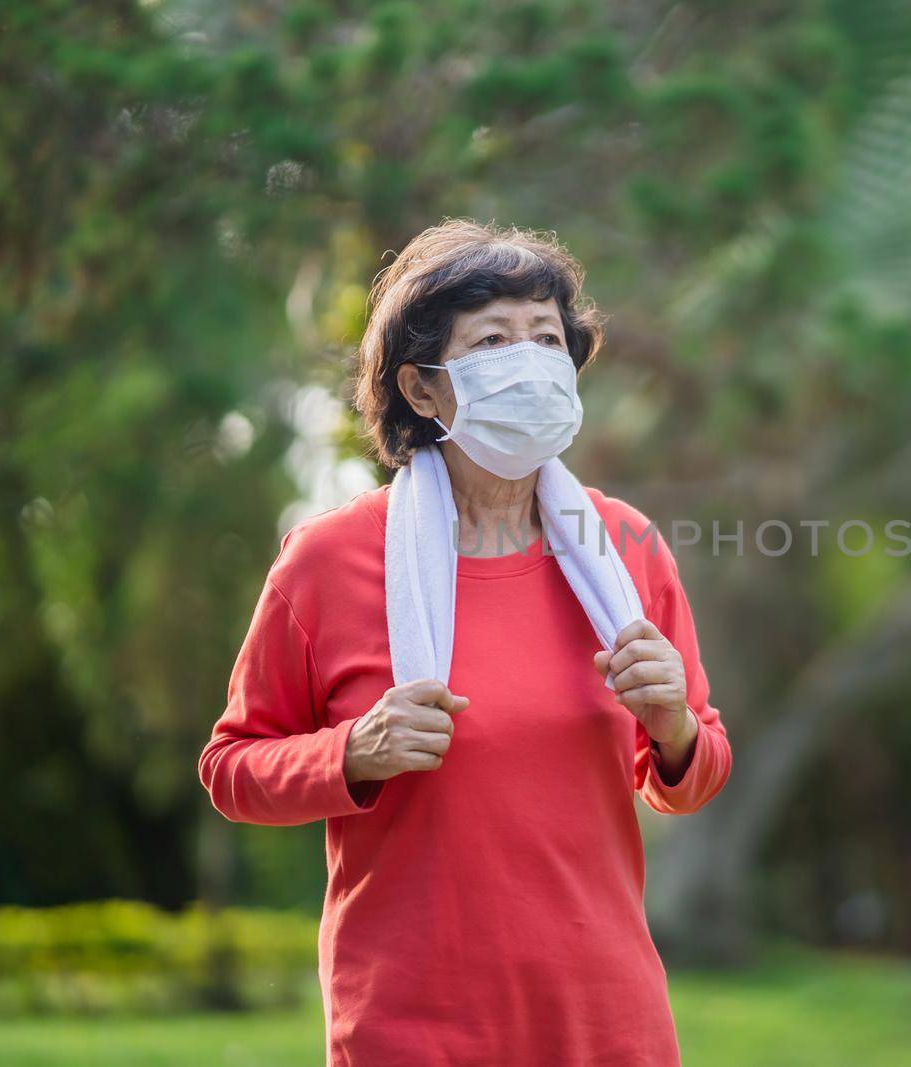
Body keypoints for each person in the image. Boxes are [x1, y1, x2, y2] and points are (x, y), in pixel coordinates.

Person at [198, 218, 732, 1066]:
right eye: (493, 338)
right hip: (412, 1028)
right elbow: (232, 769)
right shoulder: (328, 561)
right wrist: (352, 754)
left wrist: (673, 727)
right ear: (422, 387)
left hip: (607, 1023)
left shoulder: (622, 550)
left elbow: (693, 774)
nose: (530, 358)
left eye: (547, 336)